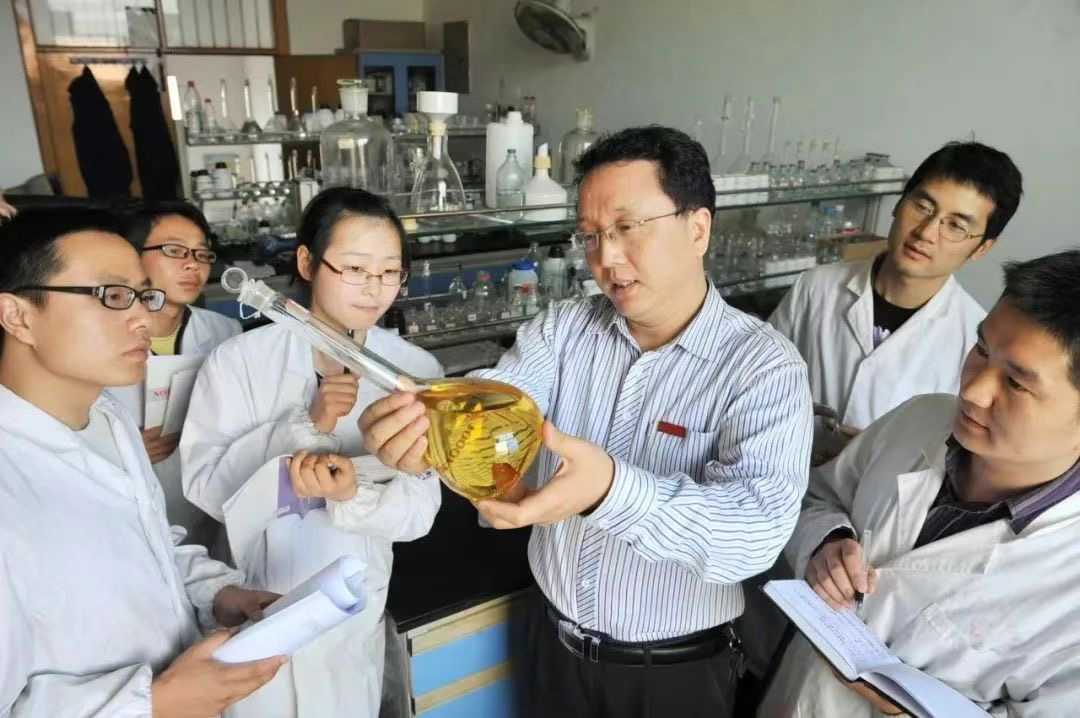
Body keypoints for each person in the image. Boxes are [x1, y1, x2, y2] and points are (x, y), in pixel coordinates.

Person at [360, 126, 813, 717]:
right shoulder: (566, 328)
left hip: (672, 675)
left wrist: (610, 490)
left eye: (627, 228)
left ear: (697, 228)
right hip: (551, 647)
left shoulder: (763, 367)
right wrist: (432, 435)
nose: (606, 258)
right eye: (592, 235)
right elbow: (499, 409)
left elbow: (754, 532)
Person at [760, 250, 1080, 716]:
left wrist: (909, 710)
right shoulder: (920, 419)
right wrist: (826, 540)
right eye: (982, 350)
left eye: (1015, 383)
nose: (973, 390)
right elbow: (816, 495)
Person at [0, 207, 283, 716]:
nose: (144, 319)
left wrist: (217, 594)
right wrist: (157, 702)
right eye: (112, 296)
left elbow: (148, 538)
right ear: (18, 316)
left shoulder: (107, 416)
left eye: (143, 296)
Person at [180, 187, 443, 716]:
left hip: (353, 614)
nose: (374, 289)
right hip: (258, 608)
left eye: (390, 272)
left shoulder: (414, 372)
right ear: (307, 262)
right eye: (355, 268)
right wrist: (306, 426)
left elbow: (419, 513)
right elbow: (206, 489)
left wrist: (351, 496)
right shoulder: (239, 362)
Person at [769, 141, 1023, 440]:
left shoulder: (974, 341)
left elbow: (955, 448)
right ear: (899, 203)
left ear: (982, 247)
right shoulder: (815, 288)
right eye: (923, 207)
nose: (926, 232)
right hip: (784, 465)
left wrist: (879, 453)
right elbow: (756, 378)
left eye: (955, 225)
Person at [115, 201, 240, 546]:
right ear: (131, 255)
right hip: (131, 519)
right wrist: (120, 452)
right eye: (174, 250)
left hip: (213, 509)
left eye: (201, 253)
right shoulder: (99, 341)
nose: (192, 264)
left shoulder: (225, 332)